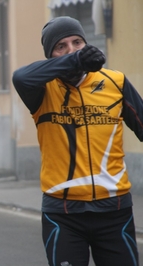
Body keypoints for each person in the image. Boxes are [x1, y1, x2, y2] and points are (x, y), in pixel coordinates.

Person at [12, 16, 142, 266]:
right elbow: (20, 77)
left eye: (77, 42)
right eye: (61, 46)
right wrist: (75, 61)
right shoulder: (41, 89)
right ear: (50, 56)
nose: (71, 49)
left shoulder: (115, 82)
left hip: (115, 211)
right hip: (63, 214)